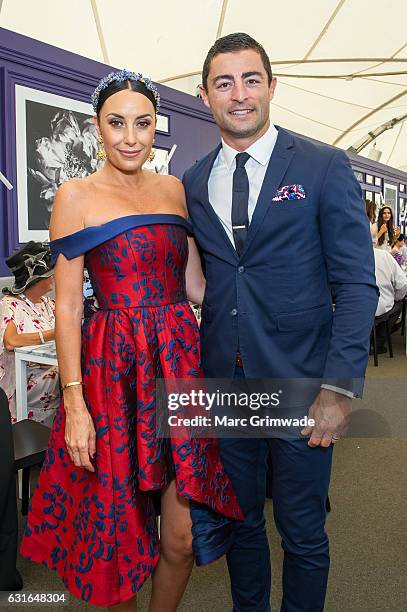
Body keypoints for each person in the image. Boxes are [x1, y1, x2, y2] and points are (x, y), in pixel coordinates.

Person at [20, 70, 242, 611]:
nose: (130, 137)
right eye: (116, 123)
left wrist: (261, 309)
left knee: (183, 535)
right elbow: (69, 304)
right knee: (116, 536)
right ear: (97, 126)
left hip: (176, 362)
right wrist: (74, 403)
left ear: (154, 126)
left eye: (142, 124)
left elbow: (193, 285)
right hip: (111, 371)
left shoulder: (173, 190)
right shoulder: (75, 195)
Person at [183, 33, 378, 612]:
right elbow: (210, 279)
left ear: (271, 86)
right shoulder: (194, 181)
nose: (238, 95)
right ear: (204, 95)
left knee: (302, 533)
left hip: (302, 385)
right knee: (241, 525)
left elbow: (357, 284)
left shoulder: (322, 166)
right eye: (224, 83)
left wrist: (339, 390)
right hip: (228, 387)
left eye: (249, 80)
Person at [0, 242, 59, 425]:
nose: (54, 276)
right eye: (49, 273)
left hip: (53, 374)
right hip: (25, 381)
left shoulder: (50, 305)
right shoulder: (9, 305)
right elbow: (10, 341)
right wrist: (56, 334)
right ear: (35, 279)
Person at [373, 247, 407, 353]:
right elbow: (402, 284)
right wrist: (397, 298)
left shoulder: (347, 256)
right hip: (381, 306)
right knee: (398, 305)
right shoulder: (384, 255)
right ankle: (378, 342)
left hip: (352, 307)